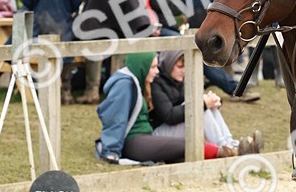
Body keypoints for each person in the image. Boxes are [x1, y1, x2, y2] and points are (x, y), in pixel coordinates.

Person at [95, 52, 232, 165]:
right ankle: (226, 153)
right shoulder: (125, 85)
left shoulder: (139, 82)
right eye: (153, 67)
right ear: (143, 66)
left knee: (187, 141)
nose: (157, 71)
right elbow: (115, 119)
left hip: (144, 137)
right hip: (134, 140)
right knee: (189, 144)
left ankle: (229, 146)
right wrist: (111, 151)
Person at [150, 49, 263, 155]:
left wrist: (214, 102)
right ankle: (226, 146)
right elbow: (169, 116)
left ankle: (233, 143)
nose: (183, 71)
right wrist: (203, 104)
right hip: (160, 133)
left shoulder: (181, 80)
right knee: (199, 105)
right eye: (180, 67)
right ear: (169, 65)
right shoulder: (157, 84)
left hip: (178, 126)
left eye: (185, 67)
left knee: (203, 104)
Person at [18, 0, 86, 103]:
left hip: (39, 20)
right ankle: (65, 91)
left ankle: (43, 92)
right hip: (62, 20)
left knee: (40, 54)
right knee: (65, 55)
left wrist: (34, 5)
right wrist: (70, 8)